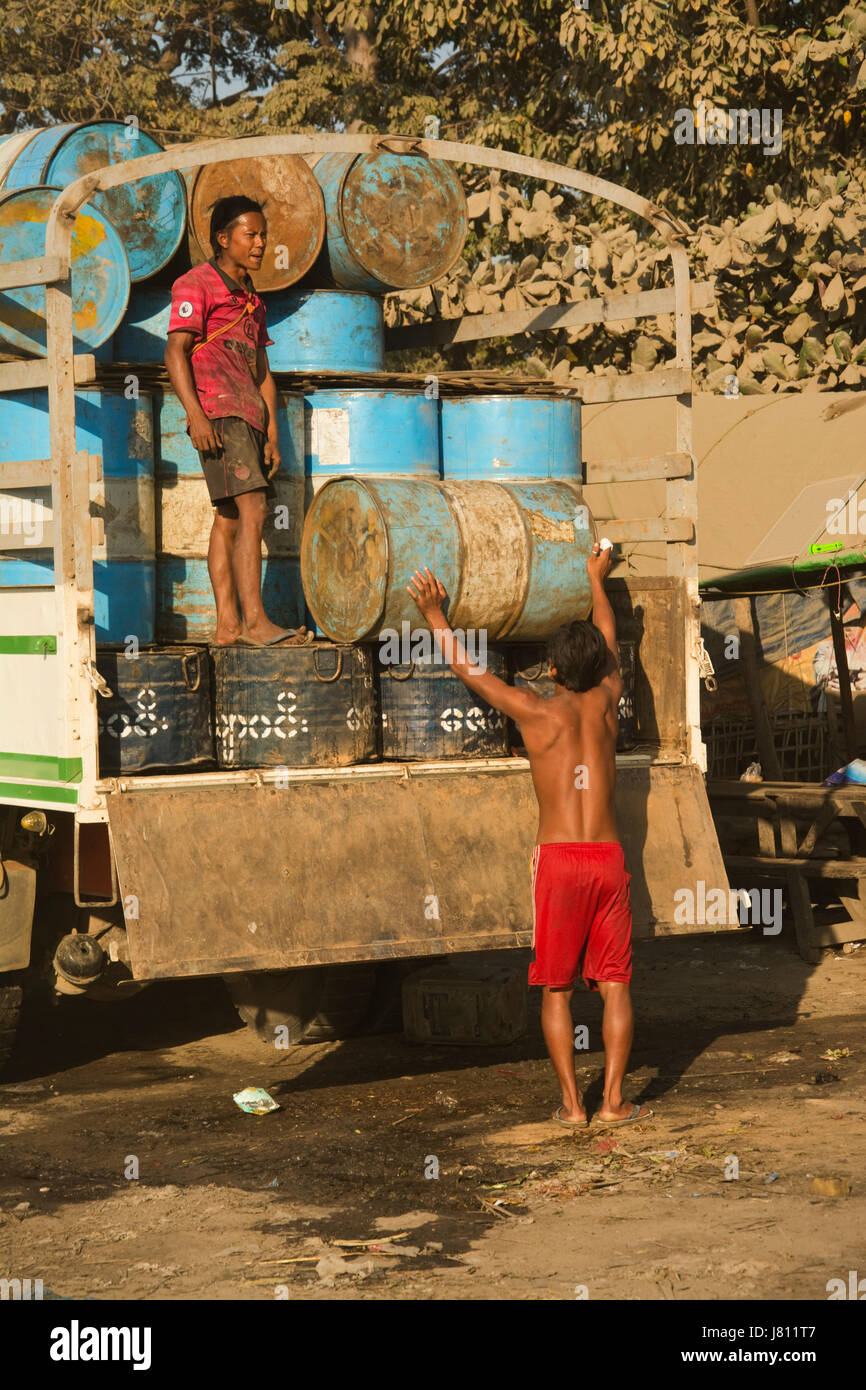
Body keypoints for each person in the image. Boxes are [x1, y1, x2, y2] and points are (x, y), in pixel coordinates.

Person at [408, 543, 652, 1129]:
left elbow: (473, 673)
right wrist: (597, 578)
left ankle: (572, 1106)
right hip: (609, 858)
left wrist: (437, 617)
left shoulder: (535, 712)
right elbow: (609, 636)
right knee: (615, 984)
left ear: (551, 670)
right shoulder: (608, 704)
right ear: (598, 668)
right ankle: (614, 1102)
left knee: (556, 989)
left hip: (561, 861)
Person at [164, 194, 310, 648]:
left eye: (263, 235)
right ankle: (256, 622)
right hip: (219, 412)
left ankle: (227, 625)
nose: (261, 243)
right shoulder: (195, 284)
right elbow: (175, 352)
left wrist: (271, 433)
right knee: (254, 510)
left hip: (247, 415)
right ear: (223, 238)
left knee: (228, 517)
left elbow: (263, 375)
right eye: (251, 234)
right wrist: (196, 416)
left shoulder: (252, 300)